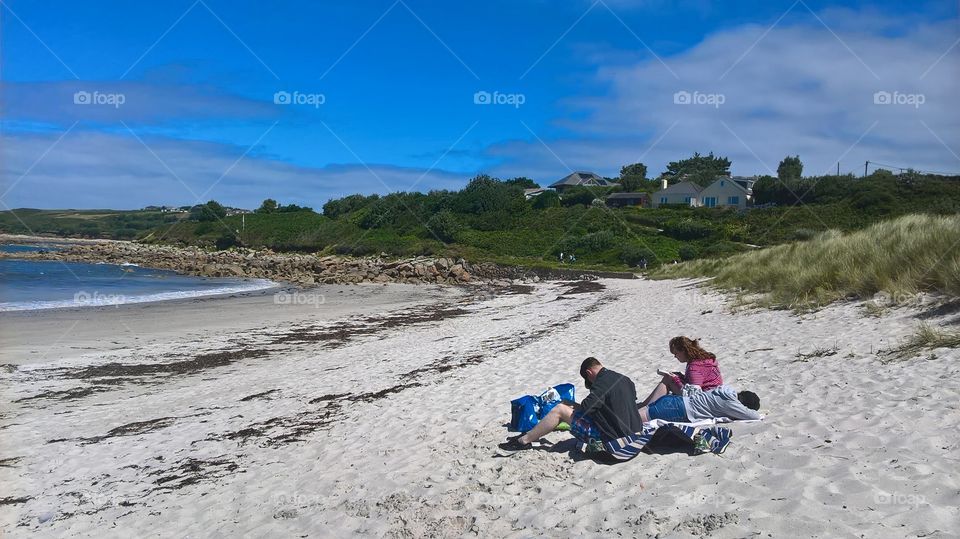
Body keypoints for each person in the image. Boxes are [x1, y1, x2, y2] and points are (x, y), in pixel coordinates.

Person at [499, 357, 644, 452]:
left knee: (560, 410)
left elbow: (587, 409)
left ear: (589, 372)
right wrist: (572, 404)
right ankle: (532, 435)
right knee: (566, 406)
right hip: (634, 432)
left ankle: (523, 441)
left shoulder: (601, 383)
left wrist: (568, 407)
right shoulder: (625, 379)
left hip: (613, 438)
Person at [638, 336, 723, 407]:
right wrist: (680, 376)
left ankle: (646, 406)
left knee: (668, 379)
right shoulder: (703, 359)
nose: (675, 356)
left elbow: (692, 394)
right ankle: (646, 404)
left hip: (705, 400)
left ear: (683, 351)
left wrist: (676, 379)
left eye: (676, 353)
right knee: (671, 377)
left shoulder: (695, 366)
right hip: (713, 395)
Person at [639, 385, 761, 423]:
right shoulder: (731, 404)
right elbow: (754, 416)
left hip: (674, 400)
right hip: (678, 410)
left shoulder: (725, 390)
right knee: (632, 419)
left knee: (634, 414)